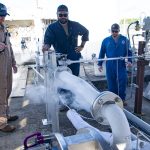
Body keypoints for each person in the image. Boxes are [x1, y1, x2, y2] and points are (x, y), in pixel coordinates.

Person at [42, 4, 89, 76]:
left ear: (68, 14)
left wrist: (82, 46)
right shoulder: (51, 28)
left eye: (65, 15)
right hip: (59, 59)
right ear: (57, 15)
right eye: (60, 15)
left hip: (74, 58)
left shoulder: (75, 25)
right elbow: (48, 42)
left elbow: (86, 32)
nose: (63, 17)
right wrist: (46, 48)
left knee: (75, 78)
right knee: (62, 80)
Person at [98, 23, 132, 106]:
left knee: (122, 81)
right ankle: (113, 99)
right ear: (111, 31)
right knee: (111, 82)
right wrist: (100, 64)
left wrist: (130, 61)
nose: (114, 33)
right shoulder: (105, 40)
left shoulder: (125, 39)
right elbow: (102, 52)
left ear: (119, 31)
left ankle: (122, 99)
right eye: (113, 31)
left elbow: (129, 51)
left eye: (116, 31)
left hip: (121, 63)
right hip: (110, 64)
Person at [0, 3, 18, 132]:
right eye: (0, 16)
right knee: (1, 93)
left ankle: (5, 115)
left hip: (6, 64)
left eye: (4, 15)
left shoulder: (4, 27)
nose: (2, 18)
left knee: (7, 90)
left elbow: (9, 46)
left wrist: (14, 62)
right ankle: (1, 124)